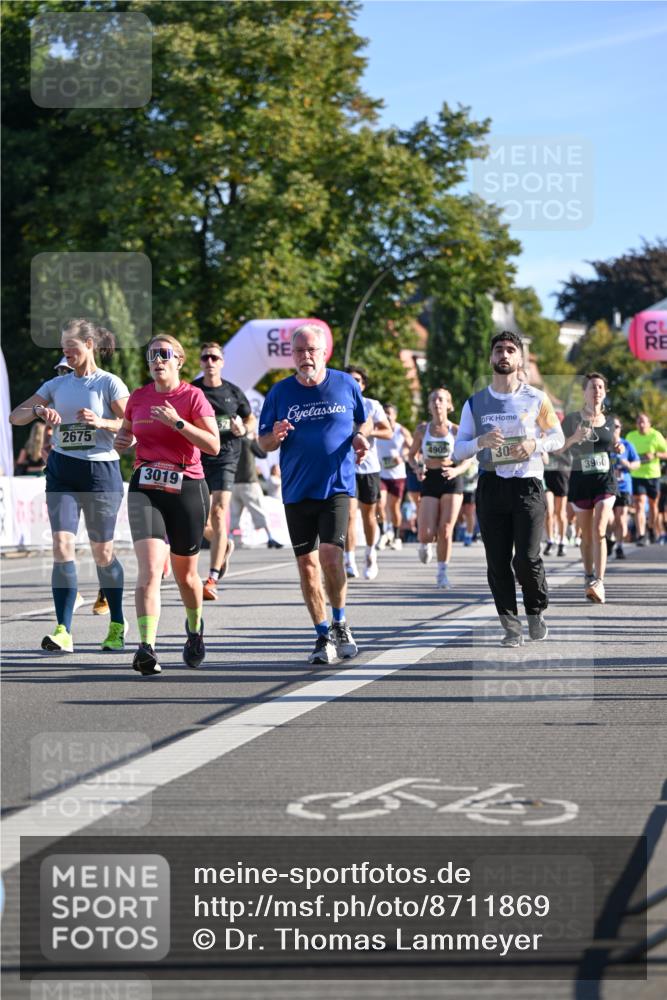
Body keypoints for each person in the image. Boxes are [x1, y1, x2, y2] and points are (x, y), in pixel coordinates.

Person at [9, 319, 129, 653]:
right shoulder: (56, 385)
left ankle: (117, 623)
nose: (66, 353)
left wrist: (101, 421)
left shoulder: (109, 383)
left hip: (100, 473)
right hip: (62, 470)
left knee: (102, 553)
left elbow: (132, 425)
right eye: (63, 347)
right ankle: (63, 629)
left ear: (89, 345)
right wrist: (38, 410)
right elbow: (14, 416)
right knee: (62, 546)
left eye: (71, 347)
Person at [257, 323, 372, 665]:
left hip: (336, 486)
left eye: (312, 350)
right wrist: (274, 436)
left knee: (330, 557)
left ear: (324, 353)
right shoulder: (279, 393)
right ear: (291, 355)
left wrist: (360, 438)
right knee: (307, 566)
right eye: (299, 351)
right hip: (297, 490)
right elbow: (261, 444)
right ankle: (322, 634)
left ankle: (340, 622)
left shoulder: (346, 384)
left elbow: (361, 422)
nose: (306, 356)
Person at [116, 335, 219, 676]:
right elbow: (128, 435)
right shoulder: (139, 397)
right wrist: (122, 441)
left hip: (187, 486)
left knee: (186, 576)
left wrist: (177, 422)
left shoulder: (193, 396)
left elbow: (213, 446)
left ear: (179, 361)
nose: (157, 360)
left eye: (164, 355)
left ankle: (194, 629)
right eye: (152, 356)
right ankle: (147, 648)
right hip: (146, 486)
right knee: (149, 570)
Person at [453, 331, 564, 646]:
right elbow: (458, 449)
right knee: (497, 561)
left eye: (510, 350)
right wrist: (480, 442)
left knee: (526, 559)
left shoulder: (536, 398)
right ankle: (511, 627)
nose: (504, 354)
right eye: (499, 349)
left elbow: (557, 437)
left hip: (527, 484)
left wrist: (536, 443)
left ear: (519, 359)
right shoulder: (475, 402)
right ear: (491, 358)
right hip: (491, 486)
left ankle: (535, 610)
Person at [195, 342, 255, 600]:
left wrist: (245, 429)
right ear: (200, 362)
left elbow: (249, 417)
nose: (210, 362)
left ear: (222, 362)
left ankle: (212, 577)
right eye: (206, 357)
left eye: (215, 358)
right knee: (199, 519)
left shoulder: (233, 391)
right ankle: (225, 544)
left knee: (219, 512)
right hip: (198, 457)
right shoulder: (192, 390)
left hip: (227, 456)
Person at [560, 373, 617, 603]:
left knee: (599, 529)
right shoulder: (572, 419)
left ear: (605, 392)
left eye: (601, 387)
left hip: (605, 481)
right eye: (592, 387)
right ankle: (588, 575)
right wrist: (574, 438)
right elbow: (558, 448)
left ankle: (599, 582)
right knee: (586, 536)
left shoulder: (610, 420)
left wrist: (619, 446)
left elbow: (613, 442)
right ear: (584, 392)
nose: (597, 390)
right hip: (581, 481)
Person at [407, 388, 472, 588]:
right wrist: (417, 467)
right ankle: (425, 543)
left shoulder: (456, 430)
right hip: (430, 478)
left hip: (451, 478)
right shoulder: (421, 430)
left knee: (445, 529)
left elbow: (469, 458)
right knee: (426, 532)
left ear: (448, 405)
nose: (437, 403)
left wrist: (457, 470)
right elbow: (411, 455)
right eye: (434, 399)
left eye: (441, 399)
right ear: (429, 406)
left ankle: (442, 573)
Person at [342, 367, 391, 581]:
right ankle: (349, 559)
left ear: (363, 385)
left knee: (368, 515)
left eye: (358, 380)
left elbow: (388, 431)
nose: (354, 383)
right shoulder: (338, 404)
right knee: (349, 515)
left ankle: (371, 554)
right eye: (350, 380)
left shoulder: (372, 405)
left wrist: (366, 432)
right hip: (346, 467)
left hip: (369, 468)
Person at [230, 432, 284, 548]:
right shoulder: (247, 441)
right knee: (259, 511)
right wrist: (255, 439)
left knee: (234, 515)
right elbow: (262, 454)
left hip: (233, 482)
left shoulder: (230, 441)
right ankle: (270, 537)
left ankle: (231, 540)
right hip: (249, 482)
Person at [626, 413, 667, 545]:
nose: (641, 425)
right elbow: (625, 454)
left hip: (653, 475)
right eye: (639, 422)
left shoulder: (656, 435)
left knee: (654, 505)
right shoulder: (631, 436)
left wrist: (655, 454)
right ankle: (641, 534)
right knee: (639, 505)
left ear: (649, 424)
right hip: (636, 475)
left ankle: (650, 528)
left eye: (644, 422)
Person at [377, 403, 413, 551]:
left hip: (398, 475)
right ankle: (383, 534)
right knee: (380, 503)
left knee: (394, 507)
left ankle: (396, 536)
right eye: (384, 413)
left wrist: (403, 455)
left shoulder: (401, 431)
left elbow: (413, 448)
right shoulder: (377, 429)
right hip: (381, 474)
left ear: (395, 415)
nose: (386, 415)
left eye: (389, 413)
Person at [608, 417, 640, 559]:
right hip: (606, 486)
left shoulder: (627, 445)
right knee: (608, 518)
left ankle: (619, 546)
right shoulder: (604, 445)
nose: (614, 429)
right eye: (612, 426)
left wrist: (628, 464)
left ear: (620, 428)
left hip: (623, 486)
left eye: (617, 426)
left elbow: (637, 463)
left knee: (621, 518)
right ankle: (609, 539)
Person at [542, 443, 572, 557]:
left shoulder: (564, 441)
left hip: (561, 479)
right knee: (549, 512)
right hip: (547, 479)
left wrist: (558, 452)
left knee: (560, 513)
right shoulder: (544, 440)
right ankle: (550, 540)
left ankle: (562, 541)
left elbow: (570, 461)